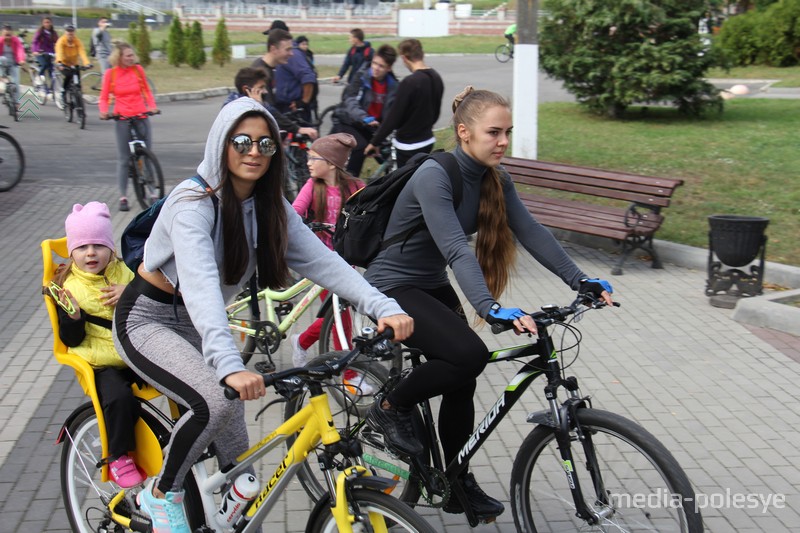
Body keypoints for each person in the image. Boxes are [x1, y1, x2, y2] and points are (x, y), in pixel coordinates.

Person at [113, 97, 413, 533]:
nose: (253, 151)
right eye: (241, 141)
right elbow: (199, 288)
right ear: (221, 144)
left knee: (241, 470)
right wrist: (229, 365)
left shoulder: (270, 206)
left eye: (265, 144)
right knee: (213, 400)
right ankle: (162, 494)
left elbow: (326, 264)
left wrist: (384, 306)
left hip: (199, 326)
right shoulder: (191, 204)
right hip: (149, 320)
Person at [362, 87, 614, 521]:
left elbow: (532, 231)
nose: (502, 141)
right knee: (468, 355)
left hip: (430, 284)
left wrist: (581, 279)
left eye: (507, 132)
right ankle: (388, 407)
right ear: (464, 132)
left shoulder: (496, 178)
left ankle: (456, 481)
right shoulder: (434, 175)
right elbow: (458, 248)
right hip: (391, 287)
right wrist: (489, 306)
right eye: (493, 132)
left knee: (463, 379)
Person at [52, 201, 145, 489]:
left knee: (180, 373)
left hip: (132, 350)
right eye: (82, 247)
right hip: (101, 361)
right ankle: (118, 456)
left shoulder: (123, 273)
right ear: (72, 252)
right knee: (119, 398)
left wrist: (129, 291)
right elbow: (71, 341)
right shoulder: (69, 288)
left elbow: (144, 305)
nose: (91, 253)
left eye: (98, 245)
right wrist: (73, 318)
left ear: (111, 248)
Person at [290, 133, 372, 394]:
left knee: (338, 316)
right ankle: (348, 376)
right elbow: (294, 212)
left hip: (348, 261)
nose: (309, 163)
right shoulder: (313, 187)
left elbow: (370, 214)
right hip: (322, 261)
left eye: (315, 158)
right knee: (342, 318)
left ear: (332, 163)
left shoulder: (355, 186)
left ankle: (301, 342)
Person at [364, 39, 443, 168]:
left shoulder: (409, 82)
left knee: (403, 183)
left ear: (404, 58)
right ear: (421, 54)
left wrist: (374, 142)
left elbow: (393, 118)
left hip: (407, 145)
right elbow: (436, 113)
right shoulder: (436, 77)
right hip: (428, 140)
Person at [98, 42, 158, 213]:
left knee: (147, 155)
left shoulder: (138, 70)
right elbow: (104, 97)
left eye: (133, 55)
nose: (132, 58)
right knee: (124, 159)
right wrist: (104, 112)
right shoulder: (111, 74)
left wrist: (152, 107)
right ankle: (123, 196)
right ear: (119, 57)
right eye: (128, 56)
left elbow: (147, 91)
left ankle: (152, 191)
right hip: (122, 117)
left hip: (141, 115)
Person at [332, 44, 398, 177]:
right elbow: (350, 101)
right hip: (349, 120)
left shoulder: (393, 85)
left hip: (370, 127)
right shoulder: (362, 76)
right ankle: (350, 186)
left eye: (381, 66)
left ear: (389, 68)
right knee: (361, 147)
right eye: (375, 63)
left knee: (386, 154)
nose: (376, 68)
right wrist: (364, 117)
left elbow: (393, 111)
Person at [251, 28, 317, 140]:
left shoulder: (273, 69)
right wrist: (297, 128)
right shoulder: (259, 72)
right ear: (273, 49)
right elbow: (267, 110)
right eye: (288, 50)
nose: (291, 54)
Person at [274, 34, 317, 124]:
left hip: (293, 107)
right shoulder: (279, 56)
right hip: (282, 105)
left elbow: (308, 77)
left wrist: (303, 102)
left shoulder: (292, 55)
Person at [55, 25, 92, 106]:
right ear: (65, 32)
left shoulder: (77, 41)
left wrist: (87, 63)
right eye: (68, 32)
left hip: (74, 64)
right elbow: (59, 52)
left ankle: (79, 101)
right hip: (63, 64)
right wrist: (59, 62)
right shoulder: (61, 41)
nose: (70, 34)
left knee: (78, 84)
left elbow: (82, 53)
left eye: (72, 32)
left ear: (74, 33)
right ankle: (64, 93)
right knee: (68, 75)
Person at [32, 17, 58, 85]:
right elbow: (35, 42)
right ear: (42, 24)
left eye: (48, 22)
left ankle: (51, 89)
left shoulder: (53, 33)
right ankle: (39, 76)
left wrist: (58, 52)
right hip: (40, 53)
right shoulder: (40, 32)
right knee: (44, 64)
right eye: (45, 22)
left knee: (51, 69)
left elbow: (58, 43)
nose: (47, 24)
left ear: (51, 23)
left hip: (50, 53)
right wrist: (35, 51)